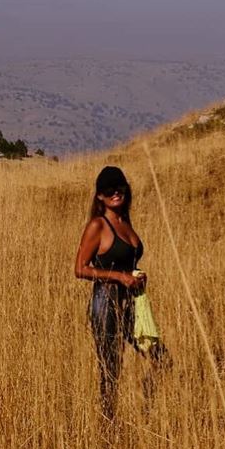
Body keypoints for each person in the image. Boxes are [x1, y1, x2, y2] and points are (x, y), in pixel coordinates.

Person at [74, 166, 169, 420]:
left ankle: (146, 408)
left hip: (132, 303)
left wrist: (136, 275)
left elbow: (126, 260)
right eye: (108, 189)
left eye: (120, 186)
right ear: (100, 197)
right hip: (106, 303)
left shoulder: (124, 220)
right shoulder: (98, 225)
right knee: (110, 369)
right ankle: (108, 426)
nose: (116, 192)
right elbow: (80, 269)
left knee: (160, 357)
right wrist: (119, 276)